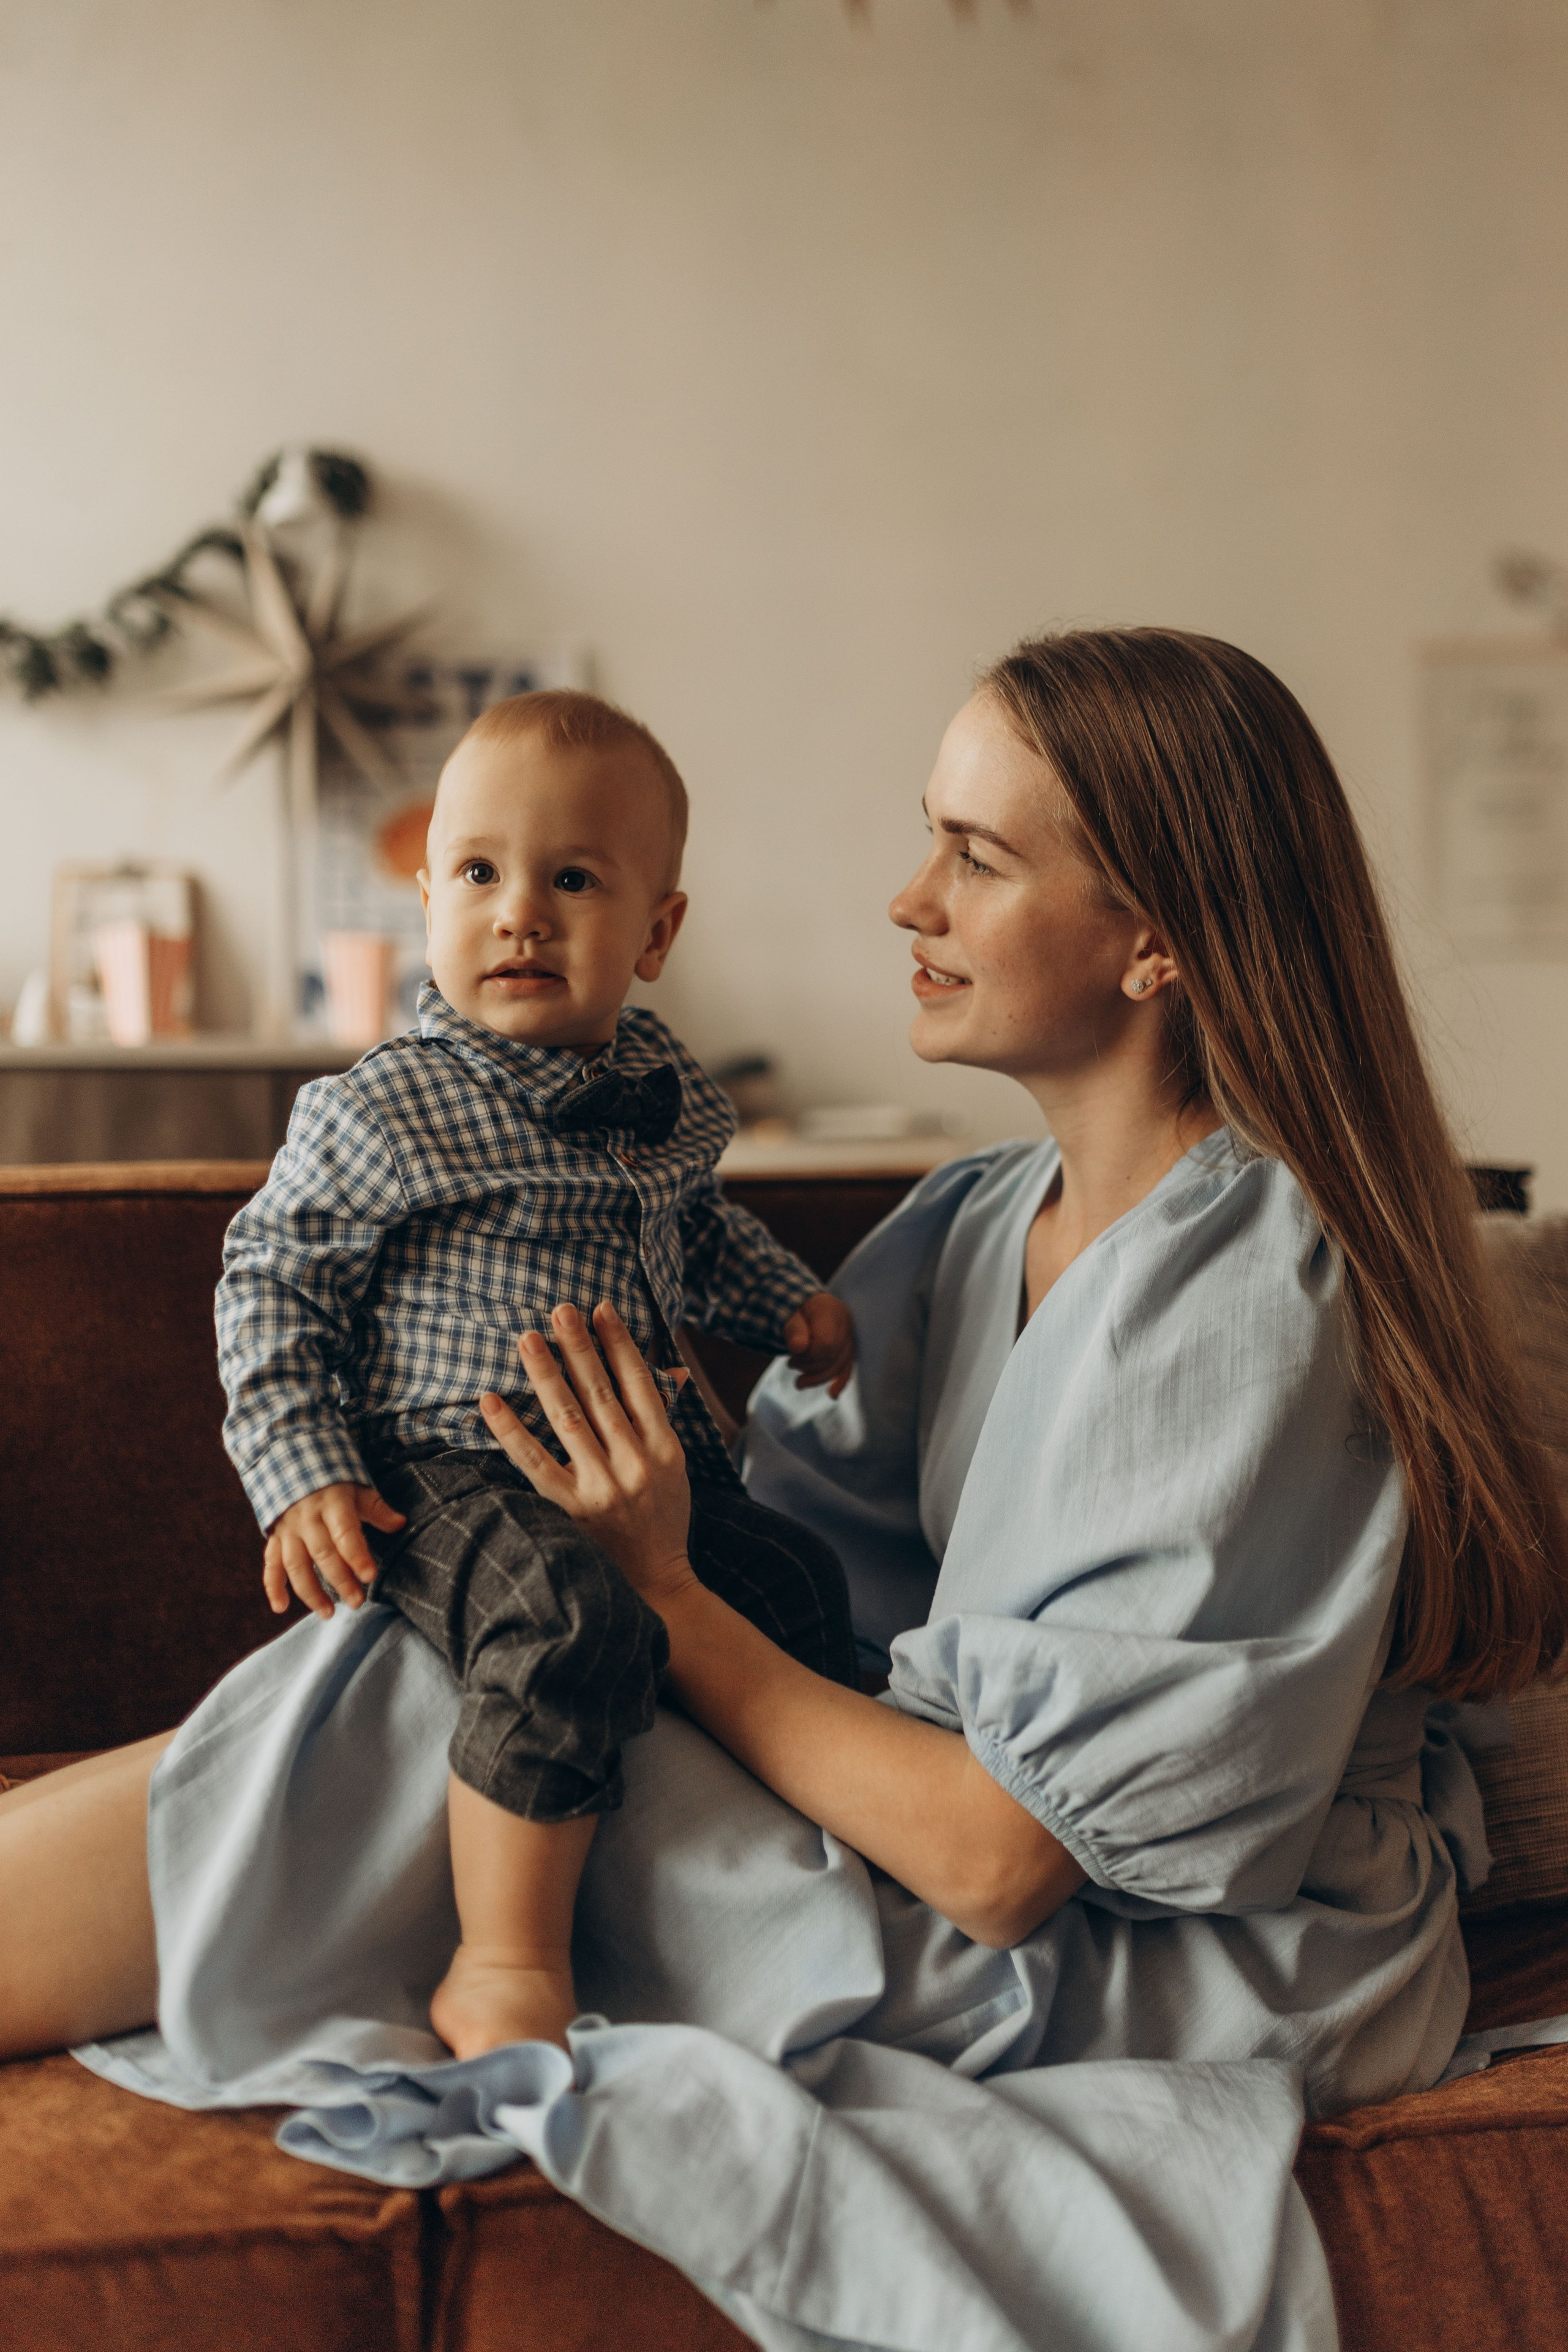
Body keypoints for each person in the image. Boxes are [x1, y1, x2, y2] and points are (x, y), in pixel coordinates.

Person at [4, 628, 1564, 2352]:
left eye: (976, 857)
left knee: (449, 1696)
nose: (909, 899)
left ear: (1155, 940)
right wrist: (620, 1508)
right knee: (455, 1655)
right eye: (931, 839)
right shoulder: (981, 1224)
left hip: (1164, 1946)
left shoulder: (1260, 1286)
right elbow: (796, 1582)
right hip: (910, 1807)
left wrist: (660, 1586)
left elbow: (997, 1862)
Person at [216, 687, 859, 2057]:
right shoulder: (382, 1109)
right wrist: (304, 1472)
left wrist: (785, 1302)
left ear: (657, 931)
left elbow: (690, 1230)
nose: (519, 912)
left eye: (572, 878)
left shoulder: (669, 1094)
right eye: (478, 874)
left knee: (803, 1588)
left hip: (652, 1458)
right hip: (450, 1464)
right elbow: (271, 1283)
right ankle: (505, 1960)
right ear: (428, 900)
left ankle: (765, 1894)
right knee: (562, 1619)